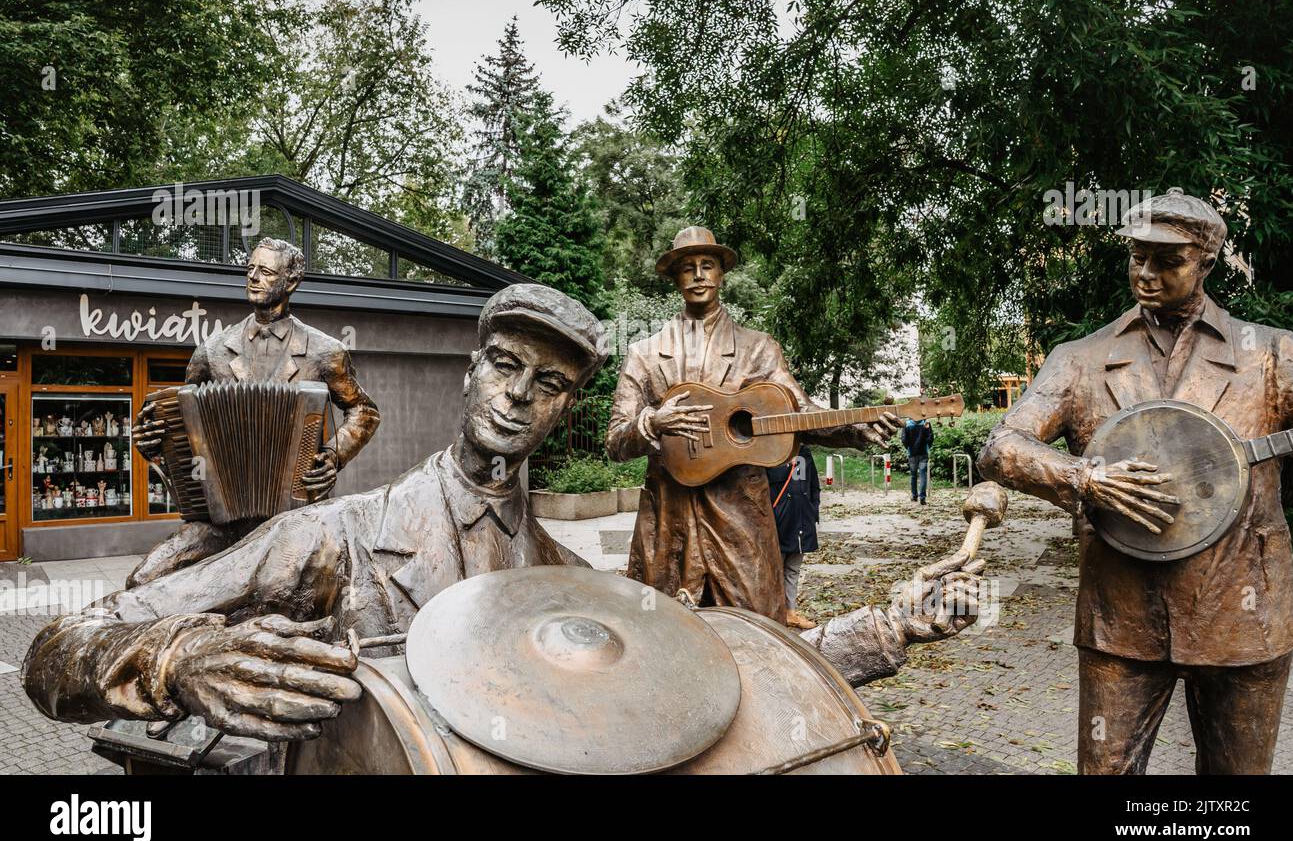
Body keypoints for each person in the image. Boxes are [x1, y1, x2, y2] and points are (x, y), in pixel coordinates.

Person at [24, 283, 984, 743]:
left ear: (569, 408)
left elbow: (712, 661)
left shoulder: (568, 571)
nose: (521, 396)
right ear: (472, 369)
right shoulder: (339, 536)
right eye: (507, 366)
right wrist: (178, 655)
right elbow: (59, 651)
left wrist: (886, 623)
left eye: (552, 383)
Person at [977, 188, 1293, 775]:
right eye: (1136, 256)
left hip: (1243, 614)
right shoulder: (1080, 358)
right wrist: (1083, 478)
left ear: (1204, 263)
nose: (1145, 274)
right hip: (1120, 616)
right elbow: (1001, 448)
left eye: (1167, 260)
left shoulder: (1272, 355)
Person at [607, 226, 900, 621]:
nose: (697, 275)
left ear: (721, 274)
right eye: (687, 267)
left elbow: (798, 413)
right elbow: (615, 441)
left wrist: (853, 427)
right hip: (667, 521)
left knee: (759, 629)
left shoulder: (756, 347)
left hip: (740, 519)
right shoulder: (643, 354)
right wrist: (652, 423)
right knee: (664, 633)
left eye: (707, 265)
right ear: (674, 277)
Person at [127, 238, 380, 587]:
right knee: (143, 580)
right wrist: (151, 443)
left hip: (295, 517)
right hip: (221, 518)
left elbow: (364, 412)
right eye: (250, 269)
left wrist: (333, 456)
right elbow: (178, 424)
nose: (253, 277)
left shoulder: (325, 351)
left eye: (265, 271)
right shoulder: (212, 352)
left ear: (290, 282)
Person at [766, 445, 820, 630]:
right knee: (774, 570)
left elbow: (813, 485)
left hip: (802, 521)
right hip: (778, 523)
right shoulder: (768, 452)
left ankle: (791, 612)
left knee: (793, 570)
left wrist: (813, 512)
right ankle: (774, 612)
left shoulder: (803, 452)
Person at [902, 415, 934, 504]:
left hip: (912, 453)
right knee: (923, 475)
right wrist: (928, 447)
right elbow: (930, 437)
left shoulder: (907, 424)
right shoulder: (926, 423)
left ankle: (914, 495)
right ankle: (922, 498)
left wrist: (908, 447)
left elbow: (904, 439)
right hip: (923, 452)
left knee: (913, 475)